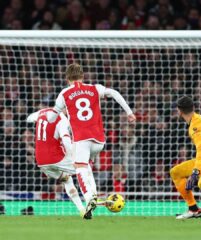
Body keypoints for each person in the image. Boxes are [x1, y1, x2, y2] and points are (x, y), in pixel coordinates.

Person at [46, 63, 136, 219]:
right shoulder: (94, 88)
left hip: (82, 139)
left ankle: (89, 197)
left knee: (79, 168)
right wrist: (129, 112)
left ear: (67, 78)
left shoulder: (65, 93)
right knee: (87, 166)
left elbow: (52, 117)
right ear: (83, 76)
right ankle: (93, 195)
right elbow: (114, 92)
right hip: (99, 141)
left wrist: (49, 115)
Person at [26, 108, 85, 217]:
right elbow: (66, 141)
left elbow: (29, 118)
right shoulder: (62, 119)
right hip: (55, 158)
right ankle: (92, 199)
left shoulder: (42, 112)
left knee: (67, 179)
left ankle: (82, 210)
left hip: (40, 161)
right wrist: (74, 157)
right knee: (84, 167)